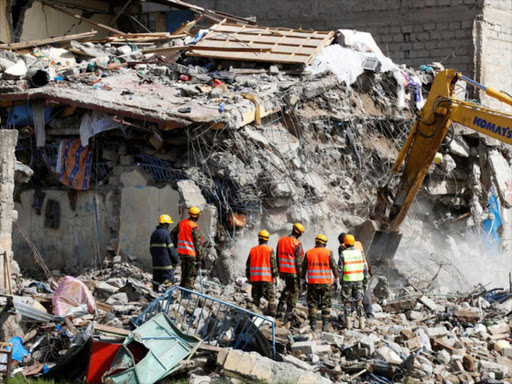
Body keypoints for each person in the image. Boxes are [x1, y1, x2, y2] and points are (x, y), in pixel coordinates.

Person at [302, 234, 338, 332]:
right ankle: (324, 326)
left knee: (313, 304)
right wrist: (336, 278)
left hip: (312, 283)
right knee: (326, 304)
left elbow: (303, 268)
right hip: (326, 283)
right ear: (324, 243)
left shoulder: (308, 253)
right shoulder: (328, 253)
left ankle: (313, 326)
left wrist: (303, 280)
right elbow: (334, 267)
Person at [338, 232, 374, 319]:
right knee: (364, 293)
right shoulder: (358, 244)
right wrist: (369, 270)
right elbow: (364, 257)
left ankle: (348, 316)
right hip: (362, 273)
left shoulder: (342, 247)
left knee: (349, 297)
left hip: (351, 275)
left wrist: (340, 280)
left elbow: (341, 265)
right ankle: (369, 314)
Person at [276, 223, 305, 321]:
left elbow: (277, 257)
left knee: (287, 288)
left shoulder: (281, 241)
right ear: (299, 234)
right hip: (293, 272)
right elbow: (299, 262)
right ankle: (289, 312)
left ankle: (280, 307)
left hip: (283, 271)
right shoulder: (297, 244)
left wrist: (279, 271)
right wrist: (301, 276)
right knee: (294, 291)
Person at [245, 230, 278, 316]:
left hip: (255, 279)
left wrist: (249, 277)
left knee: (256, 298)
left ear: (258, 238)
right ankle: (272, 316)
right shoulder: (270, 250)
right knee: (271, 298)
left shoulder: (252, 250)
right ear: (267, 239)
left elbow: (248, 265)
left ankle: (253, 314)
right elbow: (273, 266)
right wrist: (275, 276)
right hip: (266, 279)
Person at [171, 206, 204, 290]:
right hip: (192, 254)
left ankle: (182, 290)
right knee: (191, 274)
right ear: (197, 216)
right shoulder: (194, 226)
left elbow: (172, 234)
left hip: (182, 252)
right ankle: (187, 293)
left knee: (184, 273)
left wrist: (176, 244)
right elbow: (197, 243)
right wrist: (200, 257)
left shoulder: (182, 223)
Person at [150, 214, 179, 292]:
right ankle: (167, 298)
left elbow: (151, 249)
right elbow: (171, 249)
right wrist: (176, 260)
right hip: (166, 264)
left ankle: (154, 295)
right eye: (168, 223)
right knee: (168, 282)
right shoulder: (166, 234)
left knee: (156, 280)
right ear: (166, 224)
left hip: (156, 263)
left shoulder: (154, 233)